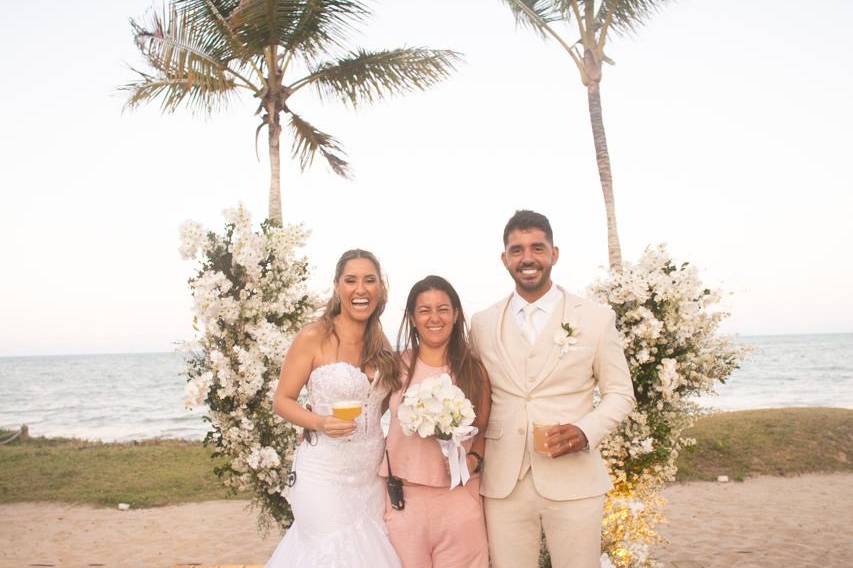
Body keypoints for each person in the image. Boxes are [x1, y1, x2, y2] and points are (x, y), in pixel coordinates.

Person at [470, 210, 636, 568]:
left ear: (554, 254)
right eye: (516, 250)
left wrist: (584, 431)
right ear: (504, 259)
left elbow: (621, 393)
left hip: (574, 478)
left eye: (537, 248)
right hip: (503, 483)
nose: (527, 258)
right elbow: (474, 394)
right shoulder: (482, 323)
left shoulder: (594, 318)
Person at [267, 249, 402, 568]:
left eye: (369, 280)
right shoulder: (313, 336)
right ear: (337, 286)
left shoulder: (381, 345)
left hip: (370, 475)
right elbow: (282, 401)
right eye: (351, 280)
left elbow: (378, 407)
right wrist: (319, 422)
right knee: (332, 552)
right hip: (323, 472)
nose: (360, 289)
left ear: (380, 288)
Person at [380, 275, 490, 568]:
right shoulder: (394, 366)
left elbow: (484, 430)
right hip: (404, 500)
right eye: (424, 310)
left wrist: (474, 460)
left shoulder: (473, 369)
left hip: (459, 500)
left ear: (455, 315)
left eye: (443, 309)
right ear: (412, 318)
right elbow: (367, 415)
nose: (434, 317)